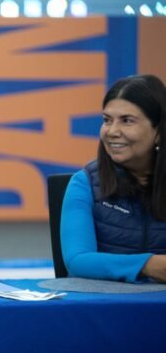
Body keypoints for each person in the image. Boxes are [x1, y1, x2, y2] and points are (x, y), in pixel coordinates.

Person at [61, 74, 166, 283]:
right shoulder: (84, 183)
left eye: (127, 121)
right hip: (107, 301)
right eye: (107, 120)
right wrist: (147, 265)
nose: (112, 131)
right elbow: (77, 260)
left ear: (158, 131)